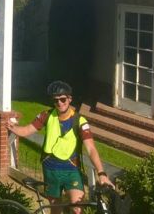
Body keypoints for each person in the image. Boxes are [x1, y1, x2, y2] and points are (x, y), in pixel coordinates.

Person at [7, 81, 114, 214]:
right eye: (56, 100)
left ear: (70, 99)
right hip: (50, 168)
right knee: (55, 209)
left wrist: (101, 173)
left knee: (77, 208)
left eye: (63, 99)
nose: (60, 103)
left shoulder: (79, 121)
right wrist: (12, 127)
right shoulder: (46, 115)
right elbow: (27, 130)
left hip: (71, 169)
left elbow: (91, 149)